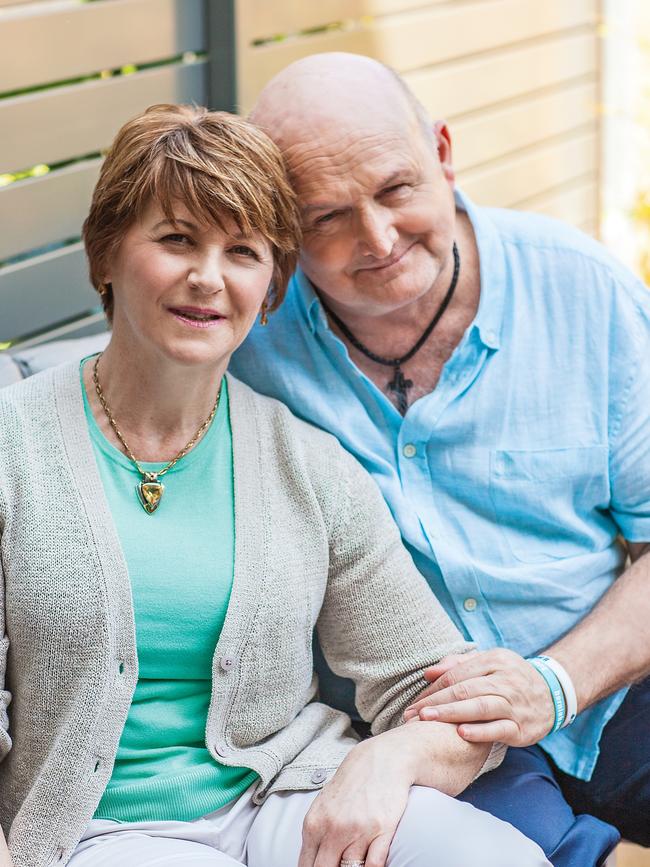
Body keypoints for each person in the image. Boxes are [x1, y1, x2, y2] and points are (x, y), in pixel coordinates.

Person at [0, 105, 549, 867]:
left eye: (243, 251)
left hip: (287, 801)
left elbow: (427, 683)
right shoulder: (12, 443)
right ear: (105, 255)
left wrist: (387, 761)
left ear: (272, 288)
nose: (208, 277)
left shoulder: (308, 464)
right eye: (176, 238)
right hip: (100, 835)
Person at [230, 52, 650, 864]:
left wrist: (552, 684)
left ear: (444, 153)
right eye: (325, 217)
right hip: (412, 729)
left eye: (396, 190)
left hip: (605, 688)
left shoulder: (583, 291)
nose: (378, 239)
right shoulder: (247, 343)